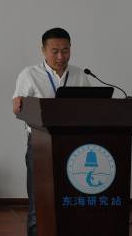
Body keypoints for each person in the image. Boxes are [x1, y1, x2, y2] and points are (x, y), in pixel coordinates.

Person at [12, 27, 90, 236]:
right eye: (55, 51)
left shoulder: (80, 75)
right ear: (43, 50)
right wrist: (18, 103)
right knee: (39, 202)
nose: (60, 57)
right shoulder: (29, 74)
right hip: (40, 146)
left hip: (73, 145)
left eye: (65, 50)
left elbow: (91, 107)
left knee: (70, 199)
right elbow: (17, 107)